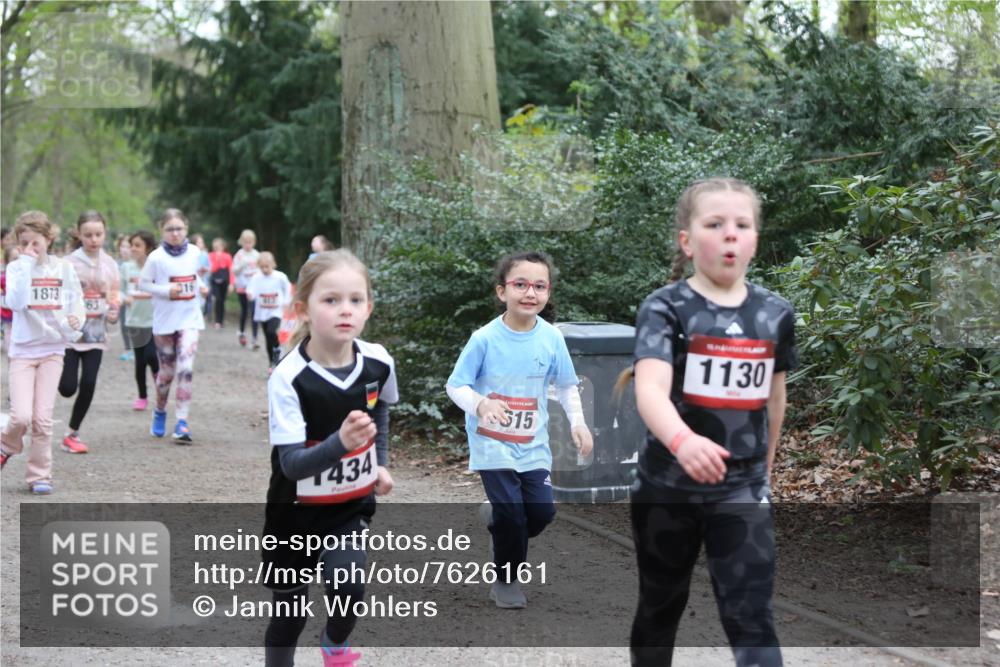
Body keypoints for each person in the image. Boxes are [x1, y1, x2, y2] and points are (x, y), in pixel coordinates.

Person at [623, 178, 797, 667]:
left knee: (752, 616)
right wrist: (683, 441)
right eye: (715, 224)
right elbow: (649, 389)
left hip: (740, 488)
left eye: (743, 225)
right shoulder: (665, 308)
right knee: (661, 604)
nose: (730, 234)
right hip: (666, 486)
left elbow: (775, 400)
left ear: (755, 240)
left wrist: (763, 473)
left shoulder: (775, 313)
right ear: (687, 240)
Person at [263, 249, 397, 667]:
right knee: (289, 617)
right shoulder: (288, 378)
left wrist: (379, 461)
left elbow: (379, 409)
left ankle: (334, 644)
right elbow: (291, 465)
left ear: (368, 308)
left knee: (350, 587)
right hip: (293, 515)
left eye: (356, 300)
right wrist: (340, 442)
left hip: (348, 509)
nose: (345, 310)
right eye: (331, 299)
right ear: (303, 309)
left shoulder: (378, 361)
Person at [446, 250, 593, 609]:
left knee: (541, 514)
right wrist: (481, 404)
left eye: (539, 286)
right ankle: (506, 581)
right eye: (521, 284)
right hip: (491, 443)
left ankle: (497, 518)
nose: (530, 293)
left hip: (532, 444)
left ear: (548, 292)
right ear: (502, 292)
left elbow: (565, 386)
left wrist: (579, 423)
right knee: (513, 513)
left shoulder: (551, 338)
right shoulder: (484, 338)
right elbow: (456, 385)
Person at [0, 211, 85, 493]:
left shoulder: (63, 269)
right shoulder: (16, 268)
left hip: (53, 350)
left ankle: (40, 476)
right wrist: (25, 265)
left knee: (42, 419)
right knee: (21, 416)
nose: (29, 248)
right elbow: (15, 302)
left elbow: (75, 301)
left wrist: (75, 321)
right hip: (23, 351)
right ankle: (5, 445)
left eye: (35, 243)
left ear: (48, 239)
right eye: (23, 243)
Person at [139, 209, 208, 444]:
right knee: (166, 374)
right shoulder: (156, 258)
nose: (175, 233)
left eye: (179, 229)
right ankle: (159, 411)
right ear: (162, 231)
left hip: (190, 318)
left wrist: (201, 286)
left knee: (185, 369)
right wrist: (166, 290)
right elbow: (144, 284)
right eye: (170, 229)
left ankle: (181, 422)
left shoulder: (195, 252)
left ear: (186, 229)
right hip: (165, 321)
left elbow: (193, 276)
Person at [58, 211, 121, 455]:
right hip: (71, 335)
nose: (94, 239)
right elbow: (58, 295)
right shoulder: (68, 263)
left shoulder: (110, 264)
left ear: (105, 233)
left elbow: (114, 294)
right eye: (88, 235)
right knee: (67, 388)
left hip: (96, 335)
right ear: (79, 235)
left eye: (98, 234)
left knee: (89, 383)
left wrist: (113, 311)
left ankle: (72, 433)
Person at [120, 230, 159, 411]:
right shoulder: (126, 267)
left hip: (154, 320)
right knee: (140, 361)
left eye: (137, 245)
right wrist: (124, 298)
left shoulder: (156, 267)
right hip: (134, 321)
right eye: (131, 245)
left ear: (148, 248)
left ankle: (161, 388)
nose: (133, 249)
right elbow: (118, 289)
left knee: (151, 355)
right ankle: (142, 396)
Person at [245, 251, 291, 372]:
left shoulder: (280, 276)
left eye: (267, 267)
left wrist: (286, 301)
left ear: (273, 264)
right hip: (262, 311)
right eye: (262, 267)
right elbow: (251, 289)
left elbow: (287, 288)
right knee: (267, 337)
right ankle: (272, 363)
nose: (265, 269)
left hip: (276, 310)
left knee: (271, 331)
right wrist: (250, 295)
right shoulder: (256, 277)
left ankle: (278, 348)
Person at [232, 228, 260, 348]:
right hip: (242, 287)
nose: (248, 245)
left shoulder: (257, 255)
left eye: (250, 242)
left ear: (254, 242)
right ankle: (242, 333)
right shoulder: (239, 255)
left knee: (254, 312)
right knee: (244, 311)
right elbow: (234, 271)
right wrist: (241, 265)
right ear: (242, 242)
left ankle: (255, 338)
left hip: (253, 289)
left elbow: (261, 270)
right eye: (246, 242)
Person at [208, 237, 234, 329]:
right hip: (214, 281)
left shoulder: (227, 256)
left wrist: (231, 283)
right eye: (215, 247)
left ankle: (221, 320)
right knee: (218, 299)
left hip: (224, 281)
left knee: (222, 301)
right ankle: (217, 321)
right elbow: (211, 269)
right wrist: (217, 260)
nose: (217, 249)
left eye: (218, 247)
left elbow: (231, 270)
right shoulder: (210, 256)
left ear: (223, 247)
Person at [115, 234, 134, 361]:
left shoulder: (138, 264)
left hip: (138, 301)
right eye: (123, 246)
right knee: (124, 324)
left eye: (128, 246)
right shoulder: (115, 265)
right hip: (122, 300)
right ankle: (128, 349)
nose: (125, 250)